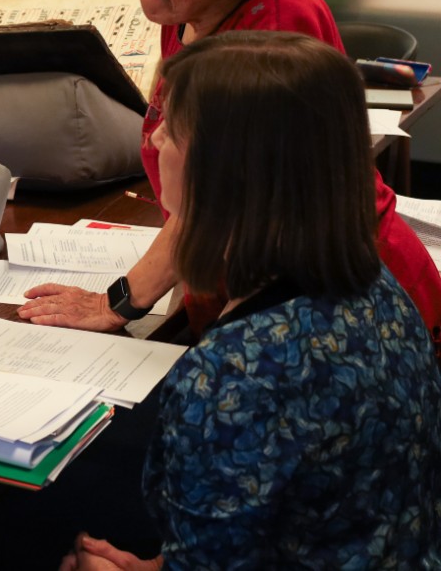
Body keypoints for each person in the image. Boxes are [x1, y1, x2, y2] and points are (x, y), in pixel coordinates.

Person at [18, 0, 441, 340]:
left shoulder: (280, 24)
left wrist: (118, 303)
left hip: (329, 314)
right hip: (243, 292)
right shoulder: (186, 9)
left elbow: (219, 200)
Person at [58, 32, 441, 569]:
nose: (159, 136)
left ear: (227, 170)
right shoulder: (376, 286)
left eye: (175, 126)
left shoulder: (234, 373)